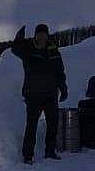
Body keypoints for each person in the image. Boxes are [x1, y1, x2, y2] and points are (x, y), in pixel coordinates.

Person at [11, 23, 67, 163]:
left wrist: (63, 88)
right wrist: (19, 38)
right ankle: (28, 155)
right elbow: (15, 49)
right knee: (31, 125)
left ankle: (50, 151)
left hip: (51, 94)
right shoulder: (29, 50)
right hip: (33, 94)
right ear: (36, 35)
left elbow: (60, 72)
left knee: (52, 124)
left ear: (47, 36)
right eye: (39, 34)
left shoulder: (54, 51)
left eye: (44, 34)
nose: (42, 37)